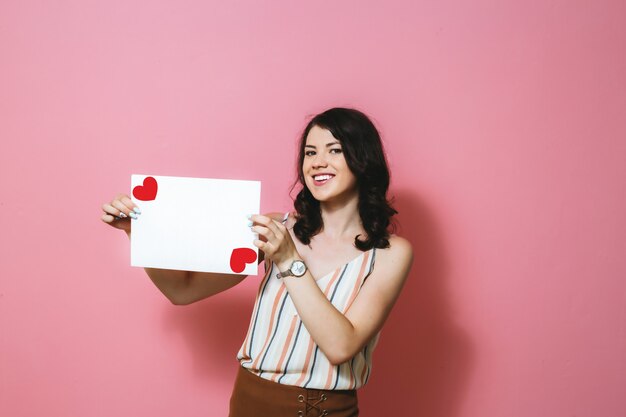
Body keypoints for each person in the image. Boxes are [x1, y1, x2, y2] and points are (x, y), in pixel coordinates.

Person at [101, 107, 413, 416]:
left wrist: (289, 259)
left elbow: (341, 346)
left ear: (363, 159)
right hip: (249, 403)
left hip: (325, 410)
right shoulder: (278, 228)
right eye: (309, 152)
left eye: (335, 150)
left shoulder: (390, 253)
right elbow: (182, 291)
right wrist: (140, 233)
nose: (318, 162)